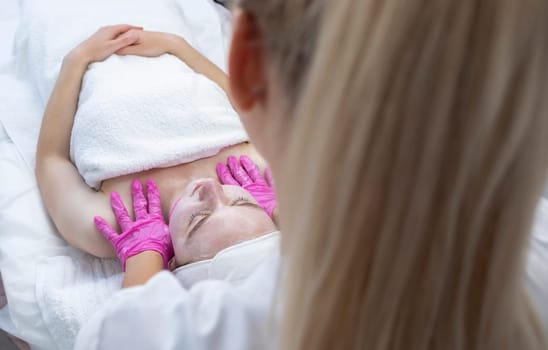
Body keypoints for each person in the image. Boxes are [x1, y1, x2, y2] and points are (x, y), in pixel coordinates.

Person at [76, 0, 548, 349]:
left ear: (246, 64)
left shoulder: (170, 332)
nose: (212, 190)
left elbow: (123, 328)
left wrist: (142, 260)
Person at [35, 25, 279, 276]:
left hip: (72, 40)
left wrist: (77, 59)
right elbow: (249, 107)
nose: (211, 188)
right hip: (161, 31)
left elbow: (51, 160)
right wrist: (177, 46)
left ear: (173, 265)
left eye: (198, 219)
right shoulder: (259, 172)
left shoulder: (113, 222)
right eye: (239, 202)